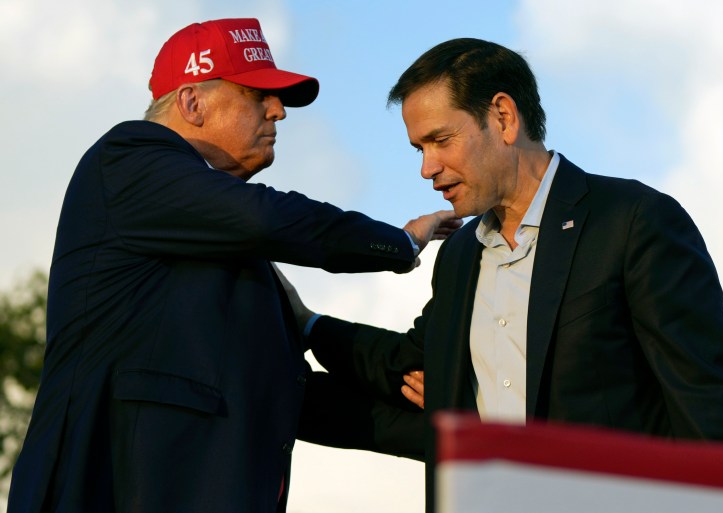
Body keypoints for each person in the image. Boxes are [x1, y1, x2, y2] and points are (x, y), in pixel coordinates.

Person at [7, 18, 460, 513]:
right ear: (191, 102)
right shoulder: (127, 158)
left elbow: (286, 394)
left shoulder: (218, 238)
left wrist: (452, 432)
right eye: (255, 95)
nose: (278, 111)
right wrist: (399, 241)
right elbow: (267, 216)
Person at [292, 38, 723, 513]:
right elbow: (410, 365)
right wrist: (307, 324)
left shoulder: (633, 221)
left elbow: (708, 404)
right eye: (419, 148)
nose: (427, 167)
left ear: (503, 117)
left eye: (440, 140)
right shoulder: (457, 257)